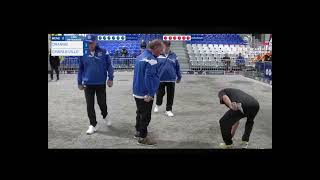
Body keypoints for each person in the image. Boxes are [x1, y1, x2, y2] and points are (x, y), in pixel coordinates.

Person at [77, 34, 114, 135]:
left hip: (100, 83)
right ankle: (93, 124)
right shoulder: (83, 53)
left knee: (102, 103)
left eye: (92, 43)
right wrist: (79, 82)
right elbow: (80, 69)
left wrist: (110, 78)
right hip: (88, 84)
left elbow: (109, 65)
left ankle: (105, 115)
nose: (90, 45)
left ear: (96, 42)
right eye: (88, 43)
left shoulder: (103, 52)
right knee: (90, 105)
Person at [132, 39, 164, 145]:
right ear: (155, 48)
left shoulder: (139, 57)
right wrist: (150, 93)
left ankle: (138, 131)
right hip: (145, 93)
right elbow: (148, 77)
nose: (162, 51)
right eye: (160, 49)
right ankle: (143, 137)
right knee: (145, 116)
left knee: (139, 112)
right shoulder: (152, 60)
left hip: (137, 90)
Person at [154, 41, 182, 117]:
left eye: (167, 46)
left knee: (170, 95)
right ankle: (158, 104)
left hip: (171, 79)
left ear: (169, 47)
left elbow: (177, 67)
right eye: (164, 46)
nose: (165, 48)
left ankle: (168, 110)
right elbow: (154, 67)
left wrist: (179, 77)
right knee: (159, 94)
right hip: (160, 79)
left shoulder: (174, 55)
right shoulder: (158, 55)